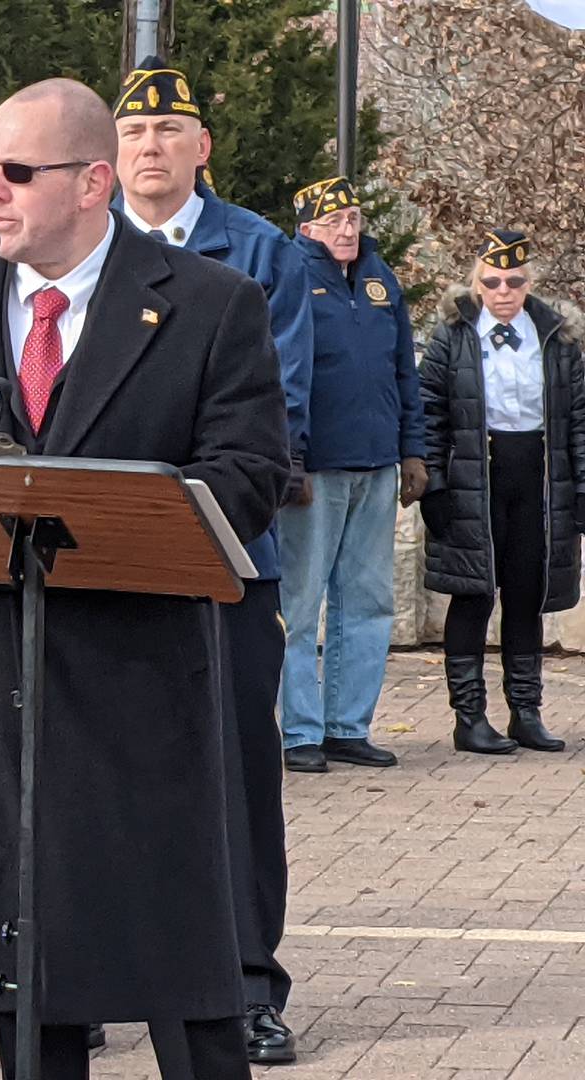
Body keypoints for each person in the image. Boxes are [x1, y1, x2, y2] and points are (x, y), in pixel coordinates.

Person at [0, 78, 289, 1080]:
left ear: (93, 181)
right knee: (29, 983)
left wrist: (117, 515)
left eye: (18, 171)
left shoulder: (208, 304)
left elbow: (251, 473)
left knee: (182, 971)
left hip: (143, 690)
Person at [112, 57, 309, 1065]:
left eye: (169, 132)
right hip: (97, 564)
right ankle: (101, 974)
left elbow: (281, 414)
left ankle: (245, 986)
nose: (150, 148)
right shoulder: (80, 251)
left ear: (203, 148)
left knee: (233, 781)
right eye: (134, 134)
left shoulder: (261, 253)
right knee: (99, 775)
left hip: (225, 560)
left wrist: (163, 504)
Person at [279, 176, 427, 774]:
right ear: (307, 228)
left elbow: (404, 373)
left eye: (354, 217)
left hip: (377, 463)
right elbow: (282, 372)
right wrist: (290, 457)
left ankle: (347, 725)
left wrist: (412, 451)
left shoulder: (379, 278)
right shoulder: (292, 275)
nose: (348, 229)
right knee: (300, 600)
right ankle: (300, 731)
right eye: (334, 220)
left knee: (367, 600)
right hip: (318, 468)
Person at [418, 229, 585, 755]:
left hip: (534, 474)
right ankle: (469, 716)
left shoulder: (557, 337)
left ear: (529, 283)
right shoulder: (454, 335)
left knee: (526, 593)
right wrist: (434, 486)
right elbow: (431, 412)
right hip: (475, 474)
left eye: (514, 281)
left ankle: (526, 711)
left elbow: (577, 418)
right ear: (477, 284)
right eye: (492, 282)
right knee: (471, 594)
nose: (504, 292)